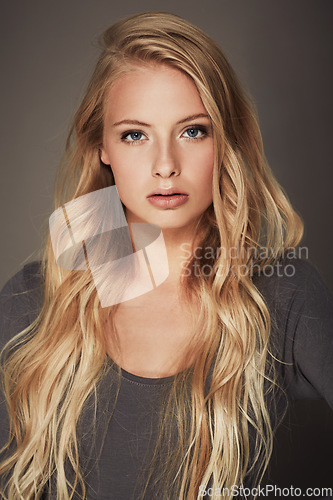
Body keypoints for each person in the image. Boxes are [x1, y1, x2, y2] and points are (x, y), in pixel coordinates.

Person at [0, 11, 332, 500]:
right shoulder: (31, 301)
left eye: (193, 130)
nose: (165, 166)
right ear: (102, 147)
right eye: (135, 134)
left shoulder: (282, 292)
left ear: (227, 140)